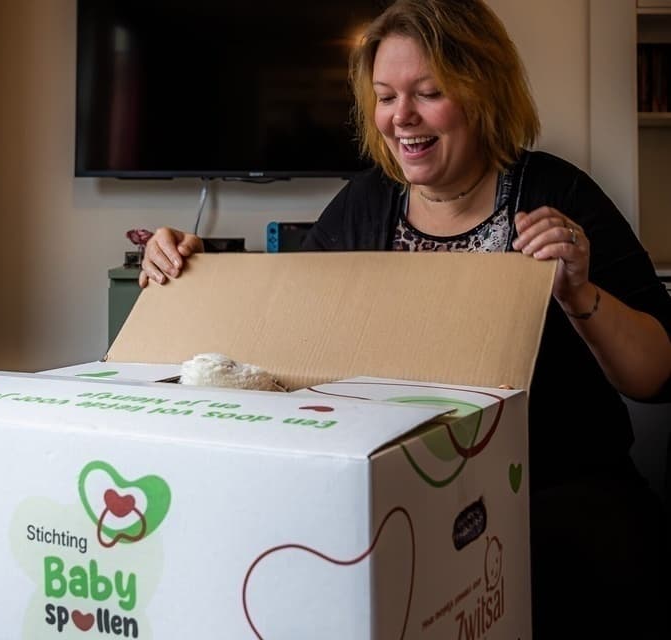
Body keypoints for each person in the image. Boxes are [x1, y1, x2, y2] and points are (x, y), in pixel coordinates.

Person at [139, 0, 671, 636]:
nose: (401, 117)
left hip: (557, 501)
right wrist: (188, 269)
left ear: (483, 92)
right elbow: (276, 342)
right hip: (405, 503)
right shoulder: (363, 207)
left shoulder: (559, 194)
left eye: (429, 93)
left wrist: (579, 293)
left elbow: (655, 377)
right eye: (386, 97)